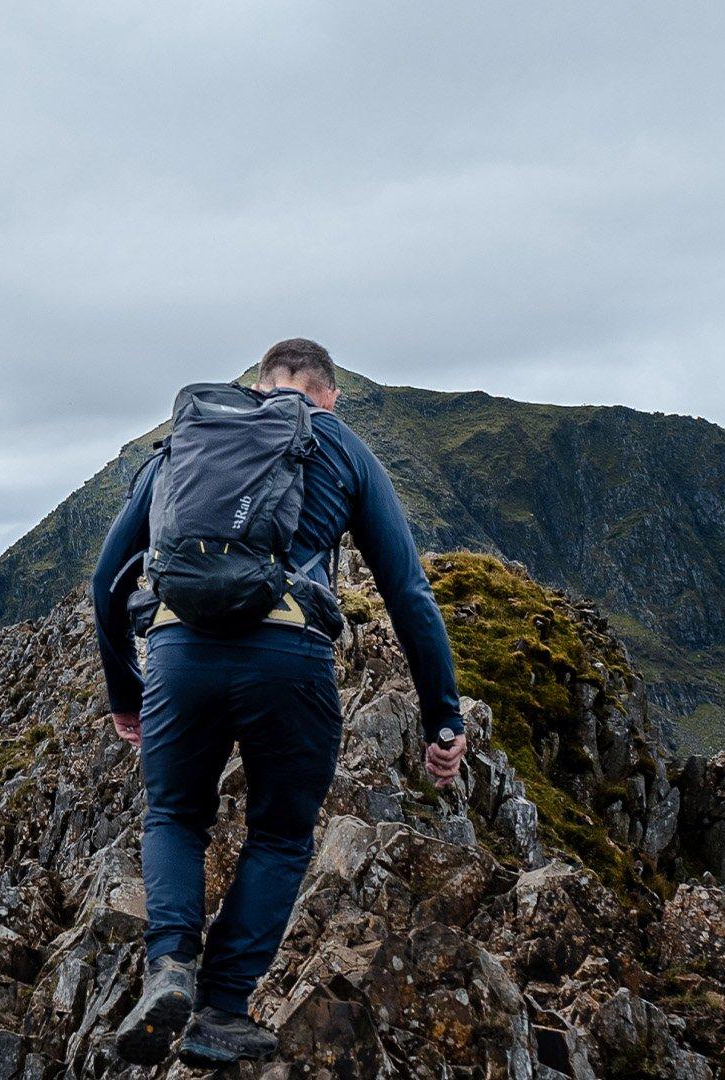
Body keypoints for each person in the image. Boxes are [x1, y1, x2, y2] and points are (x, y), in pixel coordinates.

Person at [90, 338, 466, 1066]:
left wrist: (125, 692)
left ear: (261, 386)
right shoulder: (341, 444)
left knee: (173, 814)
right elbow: (408, 592)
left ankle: (169, 966)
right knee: (281, 834)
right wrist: (441, 713)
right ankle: (221, 1008)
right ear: (328, 394)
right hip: (287, 656)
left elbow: (109, 577)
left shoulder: (188, 440)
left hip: (177, 653)